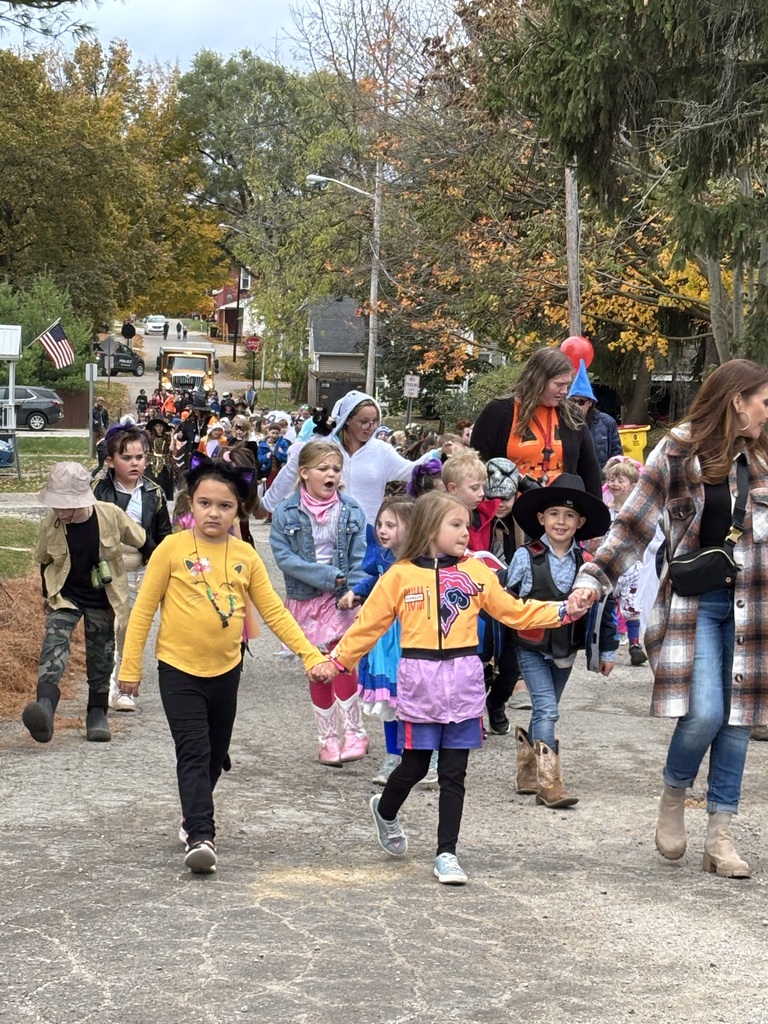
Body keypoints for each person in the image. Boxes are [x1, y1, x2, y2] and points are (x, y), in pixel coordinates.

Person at [568, 358, 768, 879]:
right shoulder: (677, 451)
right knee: (705, 713)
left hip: (756, 605)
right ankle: (675, 793)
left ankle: (720, 835)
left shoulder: (766, 455)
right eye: (763, 401)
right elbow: (633, 524)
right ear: (736, 401)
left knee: (739, 720)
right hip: (695, 605)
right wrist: (594, 577)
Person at [327, 491, 579, 885]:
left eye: (467, 524)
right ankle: (386, 811)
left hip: (464, 684)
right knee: (412, 765)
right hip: (419, 684)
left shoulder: (477, 573)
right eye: (457, 525)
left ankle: (447, 853)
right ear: (430, 528)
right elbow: (367, 627)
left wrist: (562, 611)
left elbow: (514, 611)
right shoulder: (399, 575)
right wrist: (337, 662)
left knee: (454, 773)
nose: (466, 532)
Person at [118, 456, 334, 875]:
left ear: (238, 510)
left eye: (224, 506)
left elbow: (274, 611)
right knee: (194, 751)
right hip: (177, 669)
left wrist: (311, 654)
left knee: (215, 755)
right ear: (190, 505)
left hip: (226, 670)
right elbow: (142, 611)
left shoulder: (245, 557)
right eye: (204, 503)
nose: (213, 513)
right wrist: (130, 669)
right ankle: (201, 833)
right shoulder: (172, 549)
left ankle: (191, 814)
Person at [505, 474, 616, 807]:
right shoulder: (526, 557)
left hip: (566, 649)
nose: (561, 521)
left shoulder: (588, 564)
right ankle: (549, 782)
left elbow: (603, 609)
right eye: (554, 514)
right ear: (541, 518)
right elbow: (507, 602)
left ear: (581, 522)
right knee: (548, 710)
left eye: (569, 516)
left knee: (544, 711)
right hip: (530, 647)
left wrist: (607, 648)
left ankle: (527, 762)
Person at [23, 462, 148, 745]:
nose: (61, 512)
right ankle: (44, 707)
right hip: (65, 595)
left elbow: (143, 541)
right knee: (54, 643)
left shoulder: (110, 516)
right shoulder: (51, 525)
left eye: (66, 506)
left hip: (102, 598)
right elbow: (45, 562)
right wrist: (46, 595)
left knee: (101, 654)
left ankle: (96, 712)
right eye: (56, 505)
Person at [269, 441, 368, 764]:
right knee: (317, 669)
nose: (331, 474)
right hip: (307, 599)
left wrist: (352, 590)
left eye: (336, 469)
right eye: (323, 469)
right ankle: (327, 738)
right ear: (304, 473)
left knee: (343, 663)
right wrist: (327, 577)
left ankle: (354, 732)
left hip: (342, 601)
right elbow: (285, 558)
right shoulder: (285, 513)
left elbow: (358, 556)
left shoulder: (351, 510)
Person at [261, 391, 439, 530]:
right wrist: (267, 504)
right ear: (347, 420)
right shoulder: (321, 445)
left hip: (365, 535)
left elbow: (412, 471)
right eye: (364, 421)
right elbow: (291, 472)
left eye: (375, 421)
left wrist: (439, 454)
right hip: (321, 534)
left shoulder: (382, 451)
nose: (371, 427)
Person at [337, 497, 419, 785]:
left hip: (411, 636)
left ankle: (425, 756)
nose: (382, 531)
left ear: (411, 529)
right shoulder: (383, 559)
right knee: (389, 700)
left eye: (391, 525)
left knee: (415, 699)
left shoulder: (419, 563)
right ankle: (393, 756)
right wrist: (355, 592)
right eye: (381, 524)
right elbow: (375, 581)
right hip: (385, 638)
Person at [92, 425, 172, 711]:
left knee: (131, 626)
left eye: (140, 457)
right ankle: (104, 685)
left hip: (139, 569)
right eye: (127, 457)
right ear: (111, 460)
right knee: (107, 627)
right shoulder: (97, 490)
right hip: (104, 567)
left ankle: (126, 686)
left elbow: (165, 539)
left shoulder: (154, 493)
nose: (135, 463)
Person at [471, 347, 602, 497]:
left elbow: (590, 470)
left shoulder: (571, 415)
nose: (565, 391)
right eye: (559, 385)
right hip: (509, 509)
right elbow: (477, 464)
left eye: (567, 384)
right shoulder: (499, 412)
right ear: (539, 381)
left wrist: (597, 514)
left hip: (558, 510)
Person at [603, 459, 648, 666]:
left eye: (620, 480)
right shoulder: (604, 510)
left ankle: (635, 644)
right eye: (611, 479)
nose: (614, 484)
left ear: (633, 485)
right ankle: (608, 643)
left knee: (632, 606)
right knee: (607, 604)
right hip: (608, 564)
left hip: (633, 565)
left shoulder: (639, 512)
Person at [567, 359, 623, 468]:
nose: (576, 406)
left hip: (601, 481)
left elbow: (617, 457)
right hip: (575, 482)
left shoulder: (607, 423)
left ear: (590, 402)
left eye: (581, 402)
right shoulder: (564, 421)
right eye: (572, 401)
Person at [442, 450, 499, 553]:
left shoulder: (486, 515)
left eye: (482, 487)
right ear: (453, 488)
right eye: (475, 488)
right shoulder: (440, 519)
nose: (482, 493)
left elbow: (497, 553)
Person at [257, 423, 290, 492]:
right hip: (267, 469)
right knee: (268, 486)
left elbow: (287, 457)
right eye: (273, 433)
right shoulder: (262, 444)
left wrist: (281, 453)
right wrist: (266, 456)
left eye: (277, 433)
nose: (274, 435)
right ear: (268, 432)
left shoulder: (283, 443)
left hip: (279, 468)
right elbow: (260, 458)